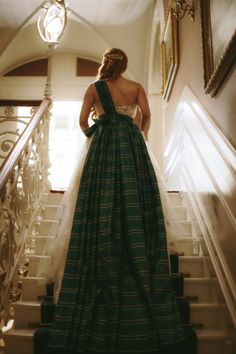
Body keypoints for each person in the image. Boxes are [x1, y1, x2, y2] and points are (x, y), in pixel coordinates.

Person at [47, 48, 186, 353]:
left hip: (104, 148)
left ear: (105, 63)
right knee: (137, 192)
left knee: (100, 194)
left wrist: (98, 133)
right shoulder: (135, 88)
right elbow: (147, 116)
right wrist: (137, 134)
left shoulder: (93, 89)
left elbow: (82, 121)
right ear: (125, 64)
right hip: (132, 147)